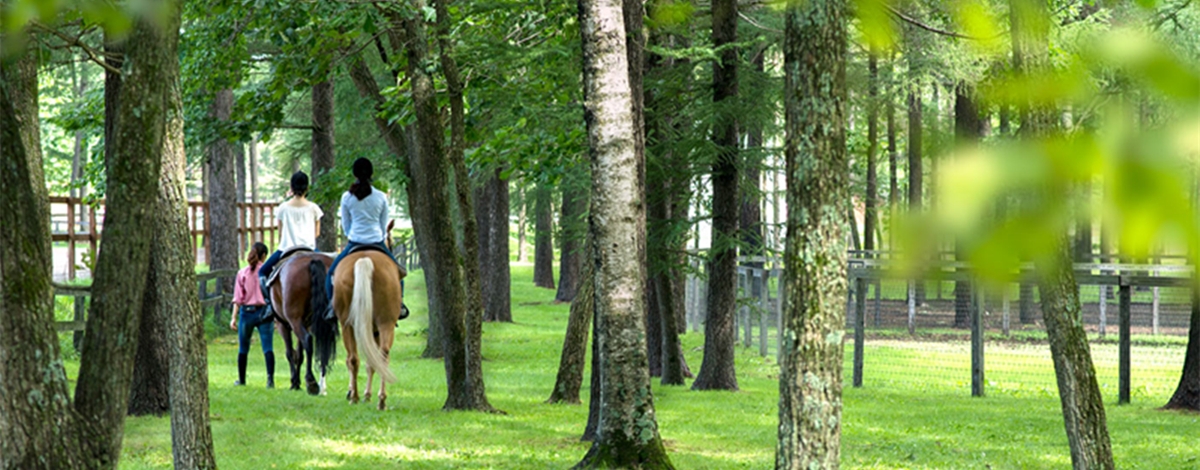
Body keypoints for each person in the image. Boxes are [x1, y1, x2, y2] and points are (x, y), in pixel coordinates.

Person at [325, 157, 400, 299]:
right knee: (398, 272)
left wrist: (352, 234)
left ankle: (331, 307)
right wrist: (379, 235)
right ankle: (400, 303)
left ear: (355, 174)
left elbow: (345, 225)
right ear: (371, 173)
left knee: (330, 274)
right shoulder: (381, 197)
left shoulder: (347, 197)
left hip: (355, 242)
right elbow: (383, 226)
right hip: (376, 242)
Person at [258, 171, 323, 316]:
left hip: (286, 248)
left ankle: (269, 305)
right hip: (309, 248)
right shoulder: (314, 208)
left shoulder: (283, 208)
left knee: (262, 272)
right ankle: (330, 306)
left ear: (291, 187)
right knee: (331, 271)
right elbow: (316, 233)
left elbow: (281, 232)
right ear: (307, 187)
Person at [230, 242, 276, 388]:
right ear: (264, 256)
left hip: (247, 313)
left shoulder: (242, 273)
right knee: (267, 347)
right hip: (264, 313)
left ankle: (242, 379)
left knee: (243, 348)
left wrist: (233, 317)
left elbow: (238, 298)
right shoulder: (268, 272)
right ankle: (270, 379)